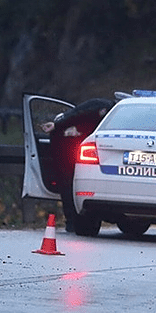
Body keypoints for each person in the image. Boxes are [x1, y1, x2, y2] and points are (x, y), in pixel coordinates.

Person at [42, 98, 115, 231]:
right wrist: (58, 126)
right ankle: (73, 221)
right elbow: (81, 115)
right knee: (68, 183)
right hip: (70, 150)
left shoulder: (102, 109)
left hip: (75, 149)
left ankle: (73, 221)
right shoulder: (104, 109)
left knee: (69, 184)